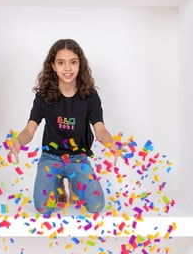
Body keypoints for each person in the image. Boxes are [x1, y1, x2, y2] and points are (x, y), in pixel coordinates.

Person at [7, 39, 118, 215]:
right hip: (51, 158)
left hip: (78, 158)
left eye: (73, 62)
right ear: (53, 66)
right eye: (61, 63)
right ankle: (58, 183)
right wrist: (18, 143)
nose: (67, 68)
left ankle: (74, 183)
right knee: (43, 208)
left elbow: (100, 129)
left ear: (80, 65)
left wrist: (112, 143)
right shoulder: (44, 96)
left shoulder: (90, 96)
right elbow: (29, 129)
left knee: (96, 206)